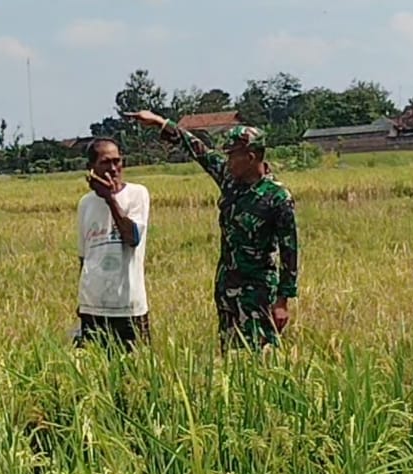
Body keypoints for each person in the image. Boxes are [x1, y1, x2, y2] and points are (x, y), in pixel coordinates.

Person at [125, 110, 298, 352]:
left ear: (250, 157)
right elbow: (198, 150)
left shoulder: (277, 197)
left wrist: (282, 301)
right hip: (227, 287)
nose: (227, 162)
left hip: (257, 293)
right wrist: (160, 123)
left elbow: (290, 253)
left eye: (232, 156)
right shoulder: (230, 180)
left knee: (261, 356)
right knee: (230, 353)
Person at [74, 137, 152, 351]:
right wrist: (81, 302)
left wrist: (109, 199)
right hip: (93, 305)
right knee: (95, 374)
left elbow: (132, 238)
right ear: (91, 169)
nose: (113, 168)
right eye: (105, 163)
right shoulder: (85, 203)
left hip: (128, 306)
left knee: (136, 373)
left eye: (117, 161)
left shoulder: (137, 194)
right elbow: (84, 256)